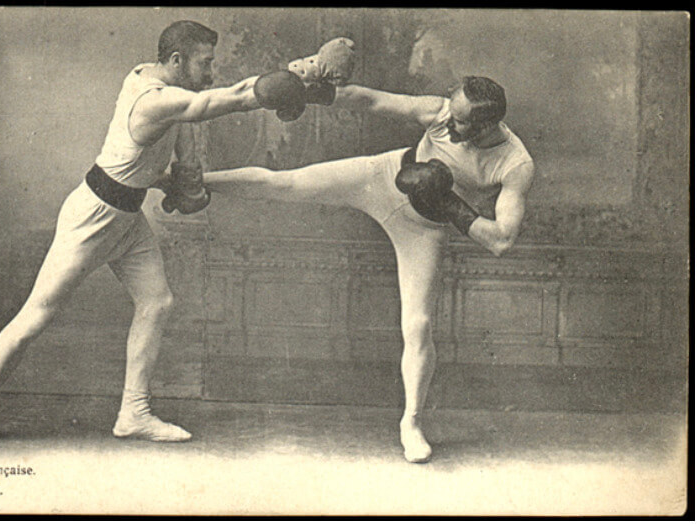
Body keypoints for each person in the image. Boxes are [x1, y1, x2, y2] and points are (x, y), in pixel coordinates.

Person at [0, 21, 350, 451]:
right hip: (92, 217)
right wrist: (299, 77)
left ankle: (134, 412)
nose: (210, 73)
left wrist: (185, 182)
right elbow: (224, 100)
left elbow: (180, 137)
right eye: (204, 63)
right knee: (35, 317)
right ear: (176, 61)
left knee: (157, 302)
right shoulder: (152, 100)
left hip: (128, 220)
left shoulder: (158, 81)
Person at [203, 75, 535, 463]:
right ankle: (193, 182)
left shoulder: (515, 163)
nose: (448, 123)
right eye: (452, 111)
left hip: (424, 227)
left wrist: (449, 205)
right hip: (383, 177)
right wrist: (313, 93)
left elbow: (501, 240)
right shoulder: (440, 112)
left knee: (418, 325)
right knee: (288, 183)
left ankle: (412, 423)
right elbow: (372, 99)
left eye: (460, 121)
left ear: (486, 125)